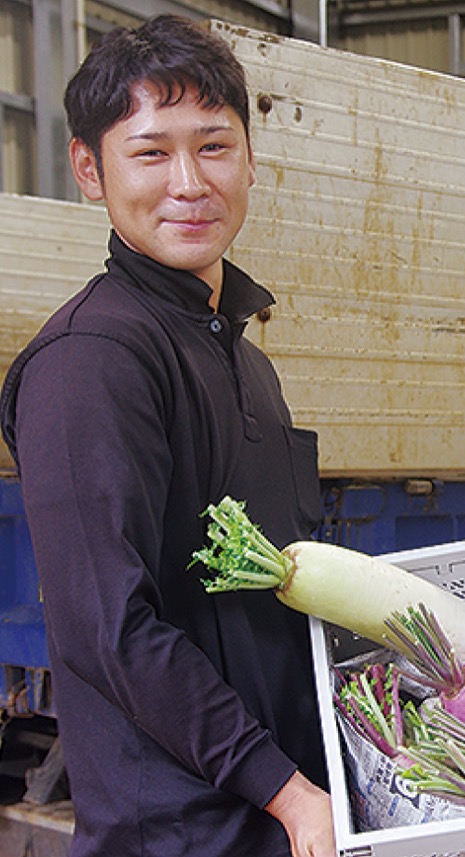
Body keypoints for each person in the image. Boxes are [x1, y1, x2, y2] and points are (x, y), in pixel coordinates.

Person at [0, 16, 335, 857]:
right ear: (90, 169)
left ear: (250, 161)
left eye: (214, 147)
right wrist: (288, 792)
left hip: (277, 819)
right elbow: (109, 627)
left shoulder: (245, 358)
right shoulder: (88, 360)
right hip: (181, 836)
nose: (189, 183)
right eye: (150, 153)